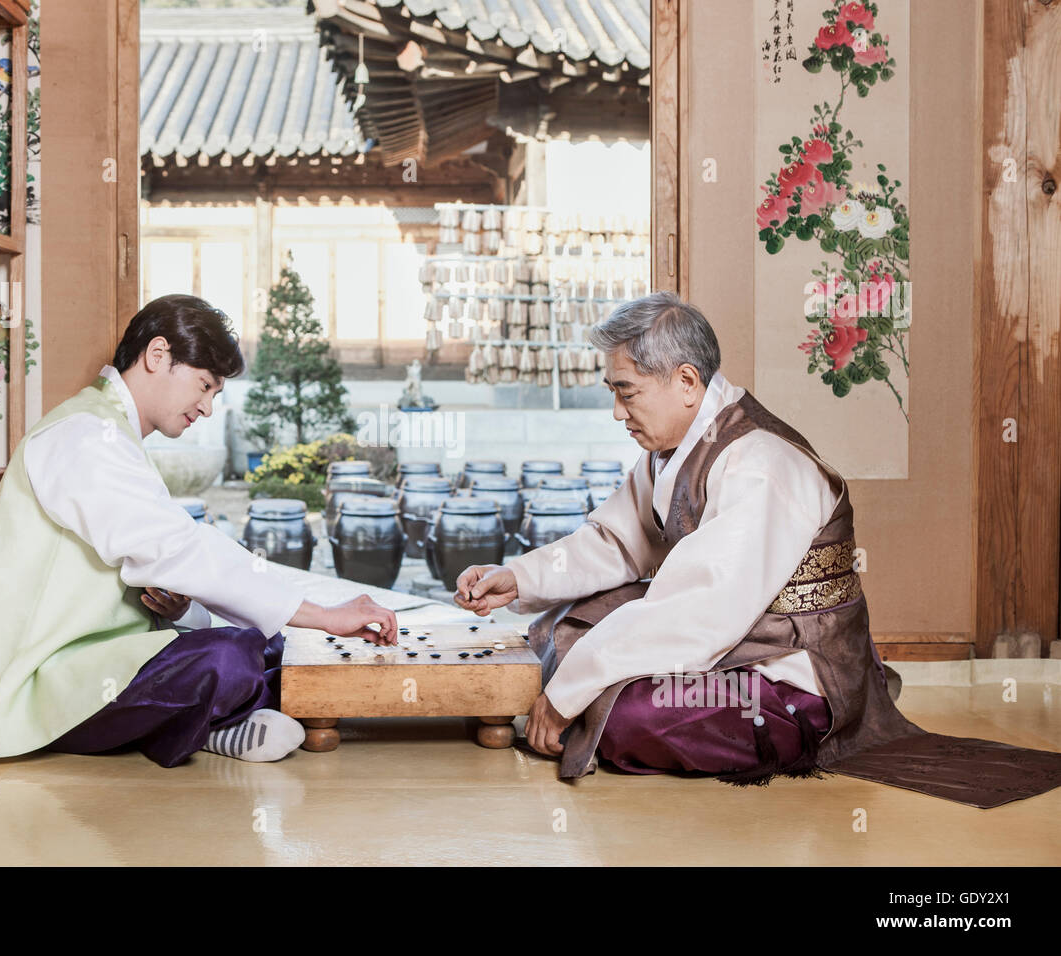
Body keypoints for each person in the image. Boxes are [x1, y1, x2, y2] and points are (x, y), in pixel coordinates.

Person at [454, 291, 1061, 808]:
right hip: (734, 632)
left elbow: (697, 612)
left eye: (626, 392)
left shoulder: (760, 463)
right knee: (566, 619)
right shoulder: (676, 445)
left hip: (789, 668)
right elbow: (618, 541)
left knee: (634, 719)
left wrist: (565, 697)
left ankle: (778, 725)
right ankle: (592, 698)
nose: (617, 412)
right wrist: (520, 578)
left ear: (686, 382)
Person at [0, 294, 396, 767]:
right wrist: (323, 613)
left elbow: (161, 561)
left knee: (266, 639)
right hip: (49, 679)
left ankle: (206, 719)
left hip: (113, 654)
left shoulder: (112, 431)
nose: (207, 408)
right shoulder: (83, 435)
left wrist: (183, 608)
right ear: (157, 355)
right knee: (231, 657)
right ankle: (210, 723)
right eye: (205, 385)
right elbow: (180, 550)